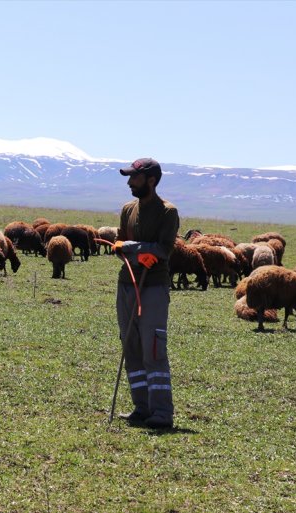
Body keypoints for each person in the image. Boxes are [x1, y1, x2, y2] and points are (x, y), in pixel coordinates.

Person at [113, 158, 179, 429]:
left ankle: (162, 412)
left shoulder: (168, 212)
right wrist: (136, 249)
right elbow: (118, 245)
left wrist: (134, 249)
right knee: (131, 346)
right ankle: (141, 407)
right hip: (126, 284)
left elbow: (163, 249)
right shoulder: (128, 209)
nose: (129, 183)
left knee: (153, 347)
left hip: (152, 287)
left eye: (135, 178)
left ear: (150, 180)